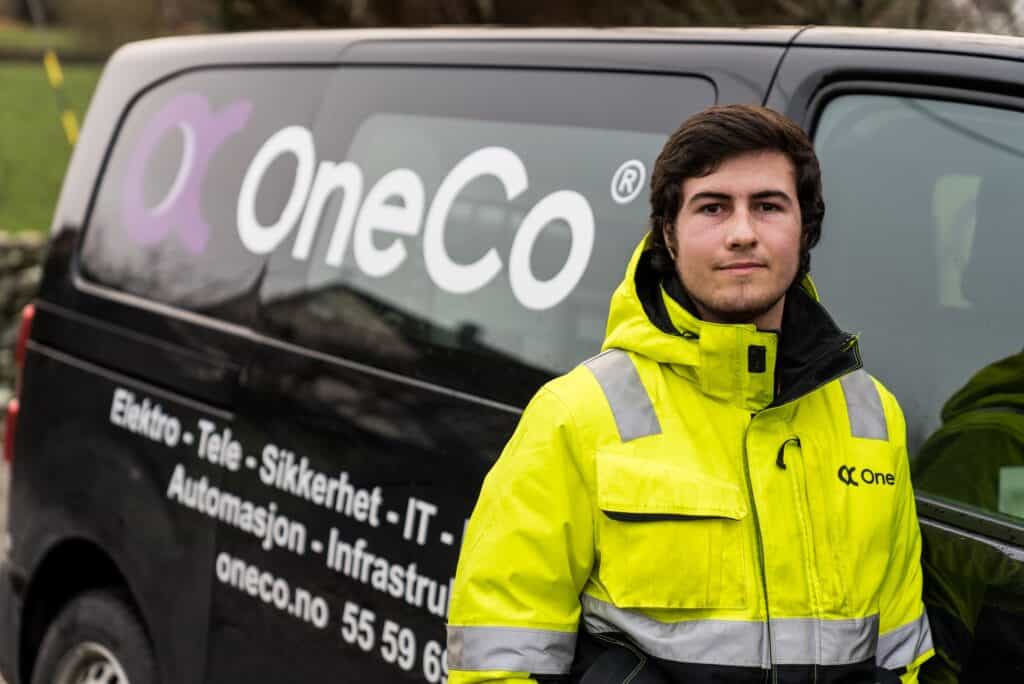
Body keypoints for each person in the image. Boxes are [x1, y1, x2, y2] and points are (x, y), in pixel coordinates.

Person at [445, 105, 934, 683]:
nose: (743, 232)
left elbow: (903, 655)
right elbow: (498, 660)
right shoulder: (577, 415)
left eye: (769, 206)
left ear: (806, 231)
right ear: (669, 235)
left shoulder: (872, 416)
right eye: (713, 206)